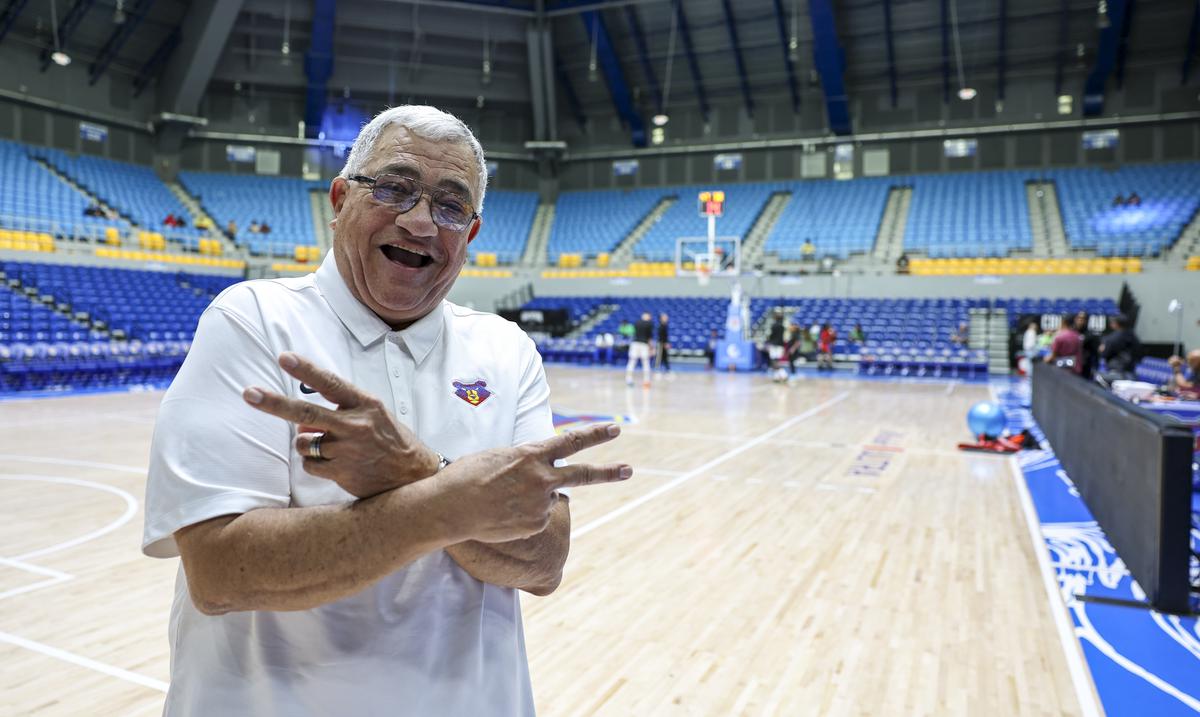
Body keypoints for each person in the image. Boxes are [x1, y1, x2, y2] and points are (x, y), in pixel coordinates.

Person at [140, 105, 632, 716]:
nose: (422, 221)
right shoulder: (253, 321)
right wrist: (456, 498)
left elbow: (542, 561)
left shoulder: (507, 350)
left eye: (451, 205)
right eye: (395, 189)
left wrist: (413, 470)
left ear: (470, 234)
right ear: (341, 198)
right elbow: (221, 571)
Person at [1098, 314, 1141, 381]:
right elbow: (1139, 354)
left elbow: (1104, 353)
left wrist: (1102, 349)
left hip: (1116, 373)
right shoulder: (1134, 337)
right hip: (1130, 373)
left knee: (1097, 378)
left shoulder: (1113, 338)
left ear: (1116, 324)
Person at [626, 311, 653, 387]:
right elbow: (649, 337)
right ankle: (646, 381)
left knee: (632, 362)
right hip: (644, 344)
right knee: (645, 363)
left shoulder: (636, 322)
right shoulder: (649, 324)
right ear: (648, 316)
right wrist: (651, 348)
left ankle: (629, 380)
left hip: (634, 344)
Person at [1074, 312, 1099, 380]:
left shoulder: (1090, 335)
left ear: (1087, 320)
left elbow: (1095, 353)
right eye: (1078, 318)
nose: (1080, 320)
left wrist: (1095, 367)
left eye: (1083, 319)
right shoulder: (1071, 332)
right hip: (1071, 365)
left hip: (1084, 367)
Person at [766, 309, 788, 382]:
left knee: (773, 361)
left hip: (774, 345)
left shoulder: (774, 326)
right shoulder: (782, 326)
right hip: (780, 345)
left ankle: (783, 374)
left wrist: (769, 343)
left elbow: (771, 336)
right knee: (777, 361)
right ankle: (776, 377)